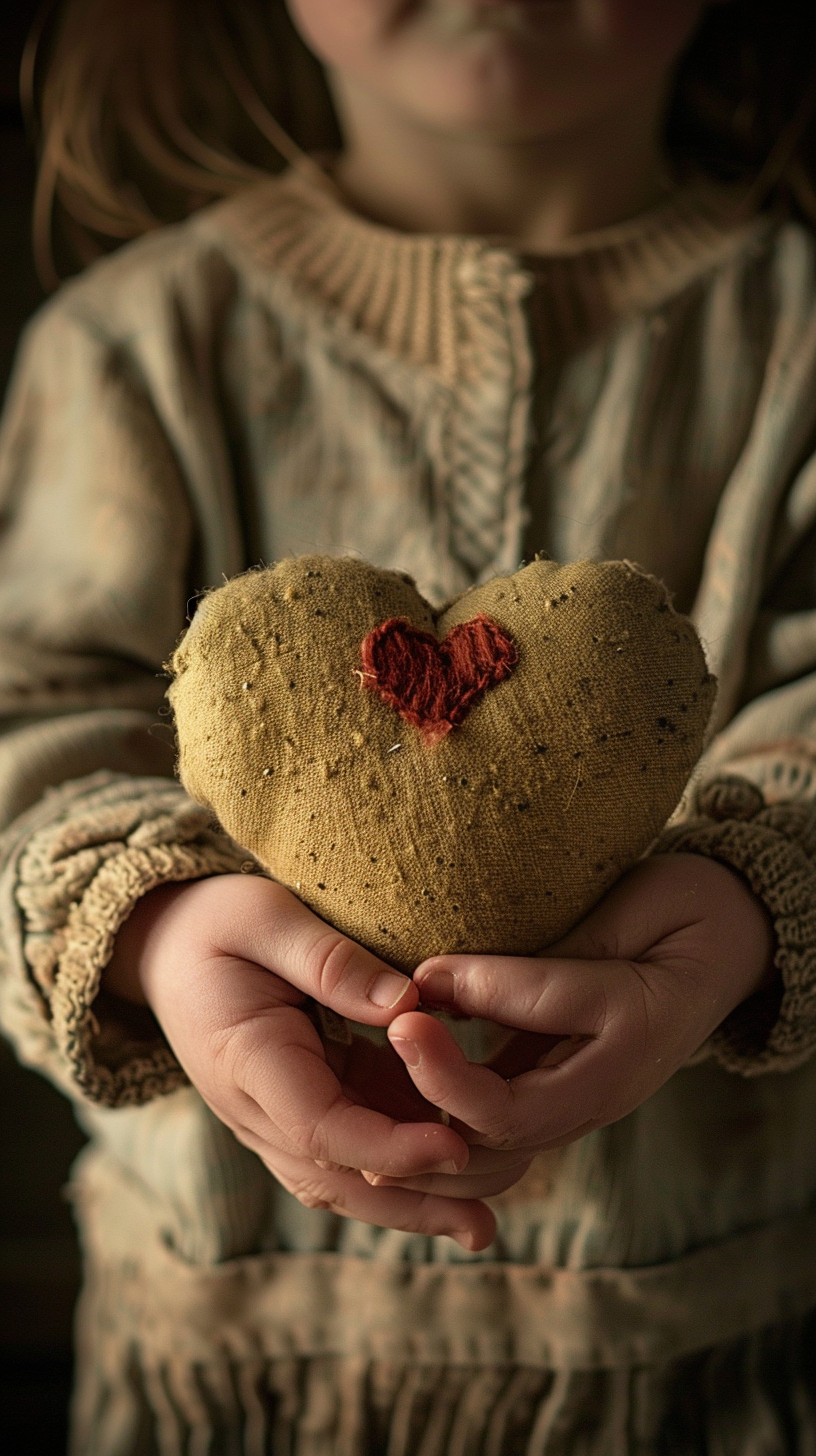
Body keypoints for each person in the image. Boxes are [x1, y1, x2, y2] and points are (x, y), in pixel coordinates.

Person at [2, 0, 816, 1449]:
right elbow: (27, 723)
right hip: (225, 1368)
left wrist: (749, 901)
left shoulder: (796, 343)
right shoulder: (133, 349)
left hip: (707, 1359)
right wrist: (150, 927)